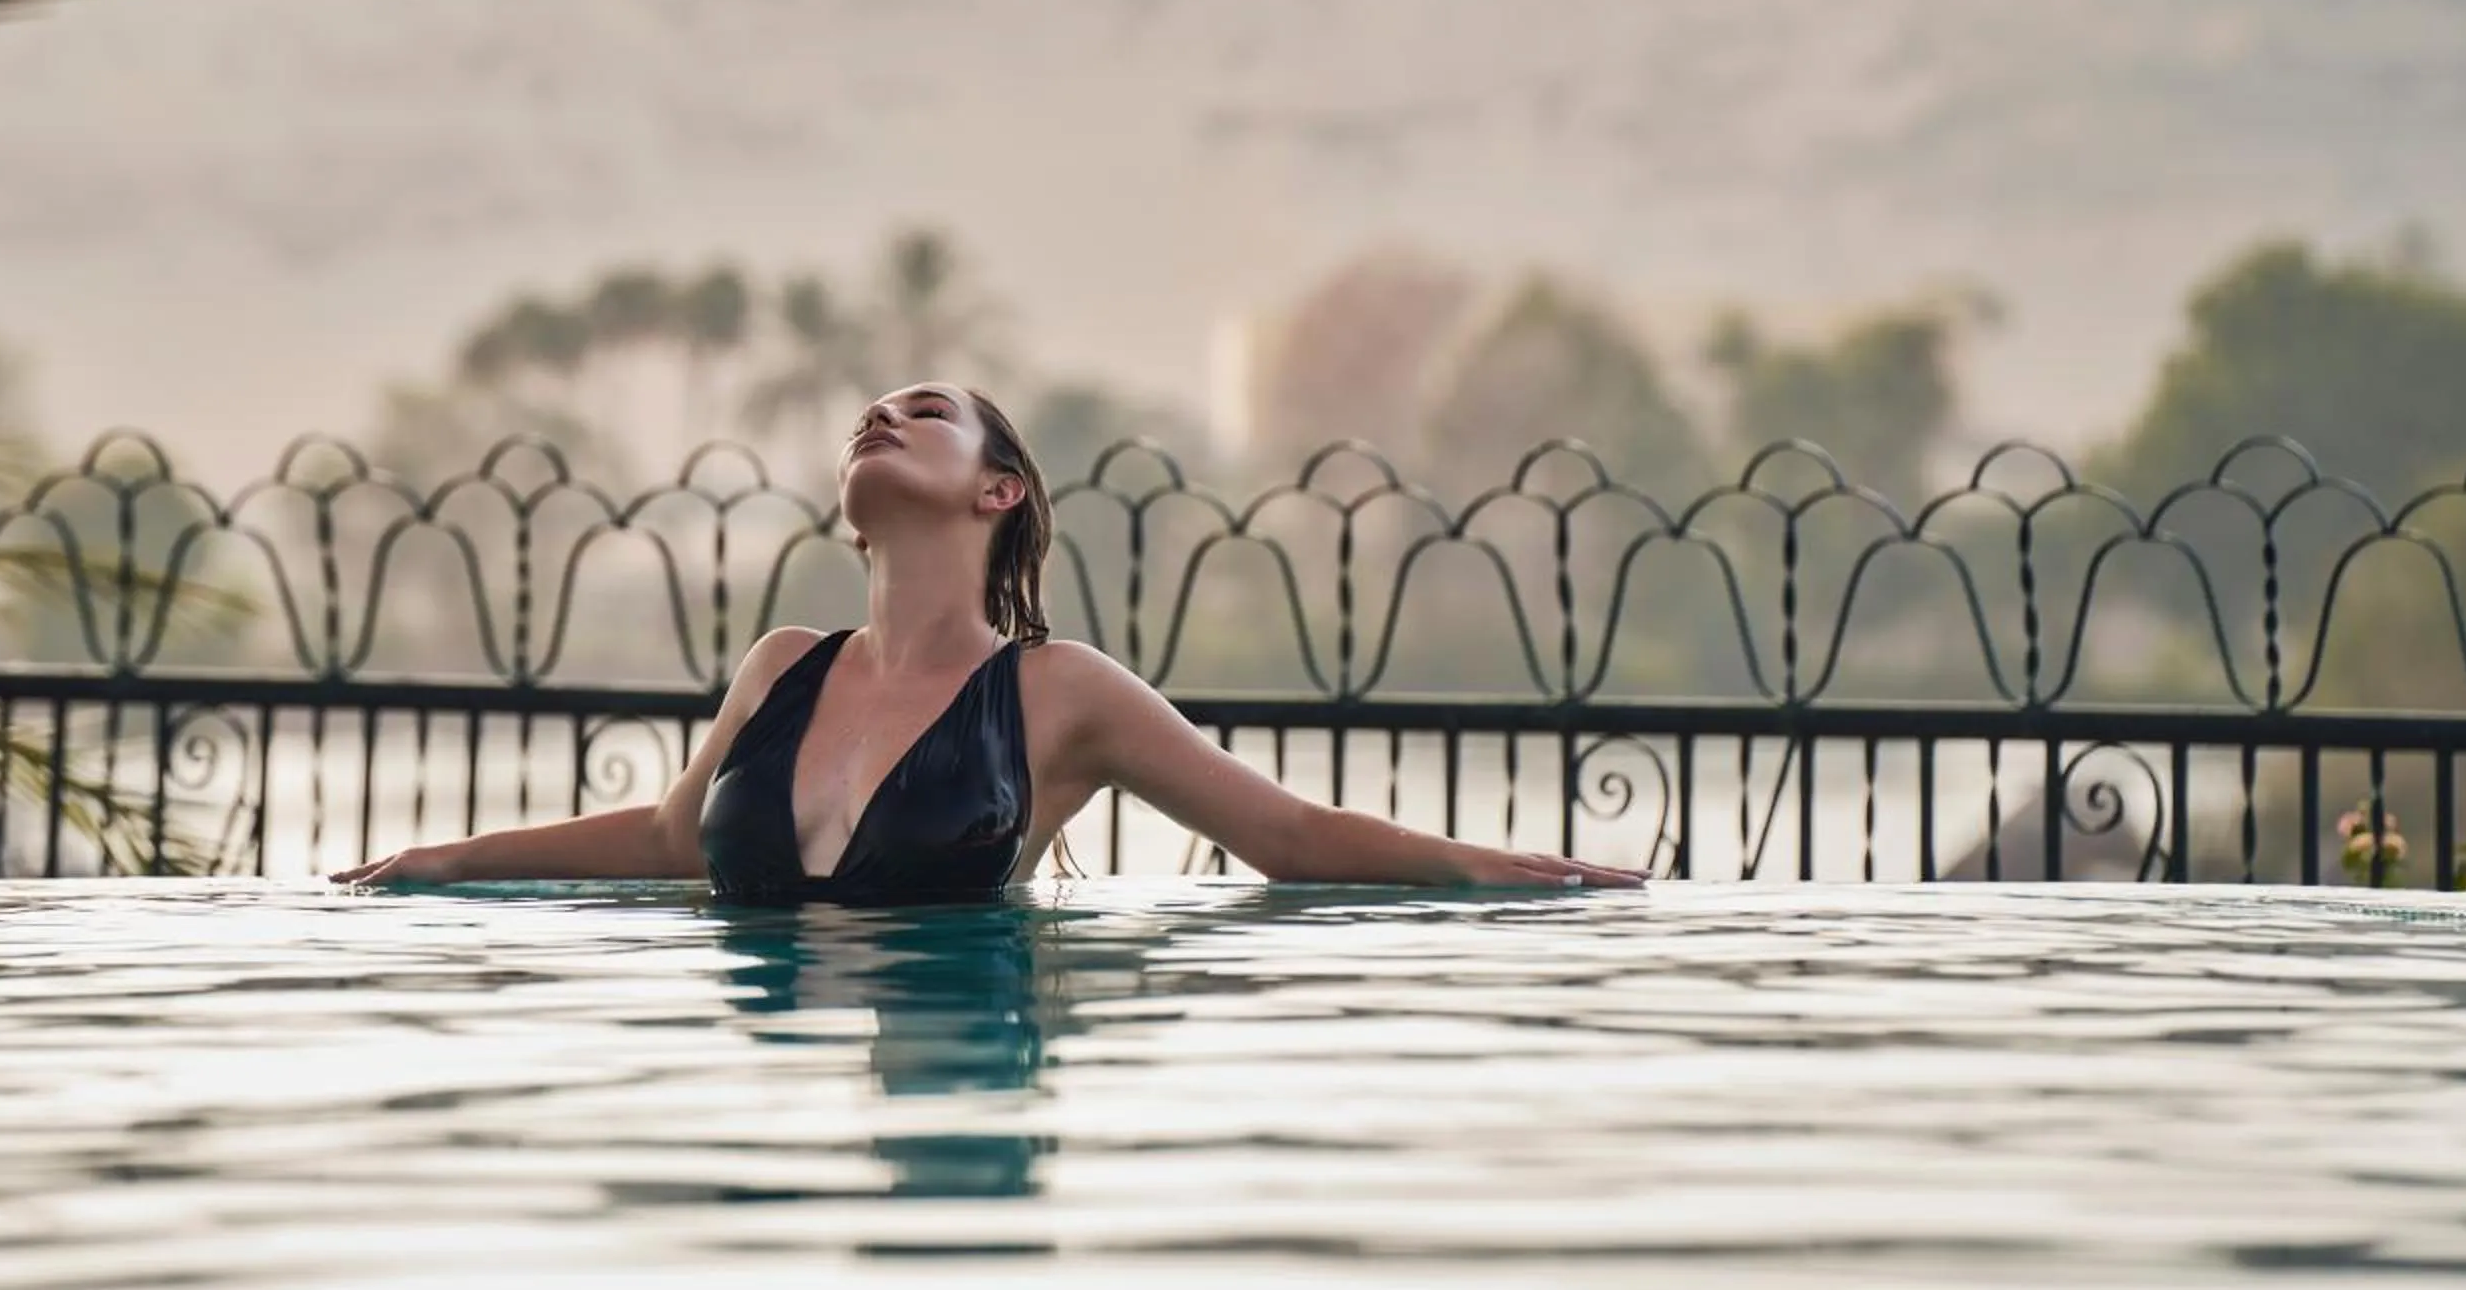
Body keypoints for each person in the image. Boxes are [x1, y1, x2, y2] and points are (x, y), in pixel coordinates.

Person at [330, 383, 1646, 902]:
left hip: (961, 1068)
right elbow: (668, 840)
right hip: (756, 1104)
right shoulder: (782, 666)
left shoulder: (1059, 692)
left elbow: (1288, 838)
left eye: (921, 413)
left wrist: (1511, 874)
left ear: (998, 488)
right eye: (868, 416)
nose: (878, 419)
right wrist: (450, 861)